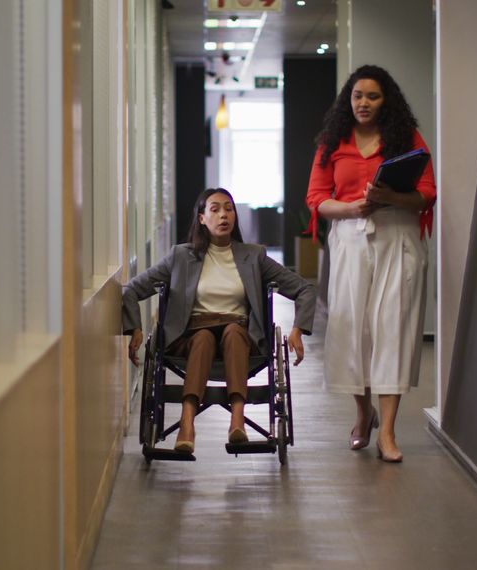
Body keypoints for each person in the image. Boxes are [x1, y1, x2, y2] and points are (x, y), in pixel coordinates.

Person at [305, 64, 437, 463]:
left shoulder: (406, 140)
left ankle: (390, 433)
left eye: (373, 96)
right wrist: (352, 207)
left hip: (398, 237)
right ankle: (364, 416)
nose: (364, 103)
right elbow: (316, 199)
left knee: (393, 329)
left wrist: (391, 198)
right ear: (349, 100)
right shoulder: (332, 143)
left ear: (386, 101)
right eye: (358, 95)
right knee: (354, 330)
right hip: (349, 238)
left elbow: (427, 194)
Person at [123, 188, 316, 454]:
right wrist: (134, 327)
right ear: (201, 218)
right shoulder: (181, 256)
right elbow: (131, 289)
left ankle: (237, 420)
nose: (223, 215)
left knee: (235, 333)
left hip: (240, 335)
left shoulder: (254, 256)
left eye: (228, 208)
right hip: (190, 336)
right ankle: (187, 425)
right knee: (203, 338)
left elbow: (304, 289)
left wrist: (298, 329)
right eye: (215, 209)